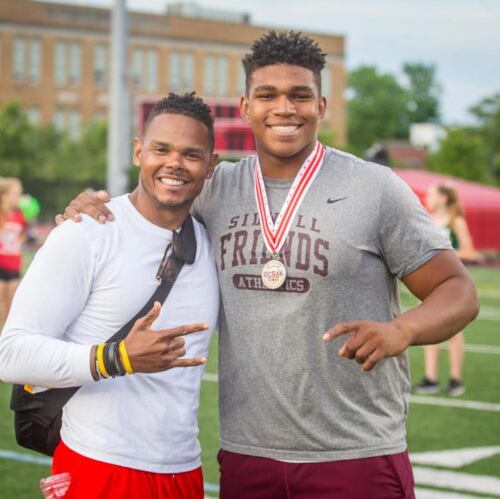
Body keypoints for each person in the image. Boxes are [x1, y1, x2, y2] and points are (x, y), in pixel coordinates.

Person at [59, 31, 479, 499]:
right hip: (246, 455)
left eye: (300, 95)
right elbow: (150, 207)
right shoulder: (214, 190)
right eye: (268, 95)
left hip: (354, 452)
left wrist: (403, 330)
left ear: (321, 105)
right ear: (245, 106)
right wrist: (90, 208)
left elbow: (457, 291)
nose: (284, 108)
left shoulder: (375, 189)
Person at [0, 93, 220, 498]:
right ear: (139, 151)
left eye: (191, 154)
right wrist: (116, 357)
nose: (174, 163)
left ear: (211, 166)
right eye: (161, 149)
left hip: (184, 472)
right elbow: (12, 354)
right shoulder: (86, 232)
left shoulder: (213, 242)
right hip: (98, 466)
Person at [415, 183, 482, 396]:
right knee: (428, 329)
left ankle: (455, 378)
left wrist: (445, 253)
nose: (427, 199)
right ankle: (431, 378)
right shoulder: (426, 219)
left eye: (431, 195)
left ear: (444, 198)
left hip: (450, 285)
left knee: (453, 332)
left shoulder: (456, 221)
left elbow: (470, 252)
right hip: (427, 284)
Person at [0, 177, 26, 324]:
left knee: (11, 308)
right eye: (16, 194)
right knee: (2, 305)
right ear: (4, 196)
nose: (19, 197)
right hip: (0, 264)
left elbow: (21, 236)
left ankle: (5, 340)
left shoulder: (20, 215)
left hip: (14, 264)